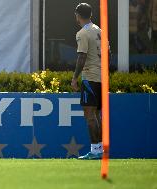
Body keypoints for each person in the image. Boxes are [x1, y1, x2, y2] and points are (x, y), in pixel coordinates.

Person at [71, 3, 103, 159]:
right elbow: (108, 55)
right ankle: (101, 149)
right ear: (90, 15)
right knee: (97, 115)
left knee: (90, 115)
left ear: (77, 15)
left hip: (90, 77)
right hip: (101, 78)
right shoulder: (100, 31)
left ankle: (96, 150)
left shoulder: (82, 33)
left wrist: (75, 78)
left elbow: (81, 56)